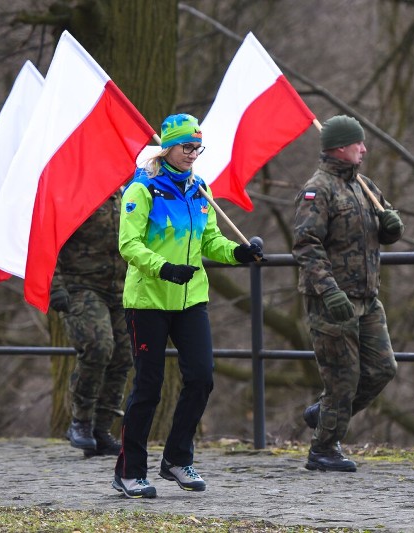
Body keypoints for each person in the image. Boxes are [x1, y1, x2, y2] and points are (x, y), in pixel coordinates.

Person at [112, 113, 264, 498]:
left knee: (201, 377)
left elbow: (211, 242)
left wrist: (240, 253)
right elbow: (128, 245)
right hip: (148, 300)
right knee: (149, 386)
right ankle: (129, 472)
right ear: (168, 148)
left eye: (198, 147)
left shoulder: (200, 189)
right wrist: (164, 269)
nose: (193, 153)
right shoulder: (142, 189)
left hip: (191, 298)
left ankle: (177, 459)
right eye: (186, 146)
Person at [292, 115, 404, 473]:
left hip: (367, 297)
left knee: (383, 368)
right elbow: (306, 245)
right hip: (332, 301)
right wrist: (329, 291)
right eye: (359, 144)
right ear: (340, 147)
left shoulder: (364, 186)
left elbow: (378, 230)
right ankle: (323, 449)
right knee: (343, 377)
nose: (364, 149)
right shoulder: (318, 189)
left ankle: (323, 415)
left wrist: (390, 229)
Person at [50, 192, 132, 458]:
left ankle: (102, 428)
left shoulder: (126, 196)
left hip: (121, 288)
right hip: (81, 286)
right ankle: (80, 422)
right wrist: (55, 286)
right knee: (98, 347)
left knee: (124, 355)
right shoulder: (77, 195)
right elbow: (49, 241)